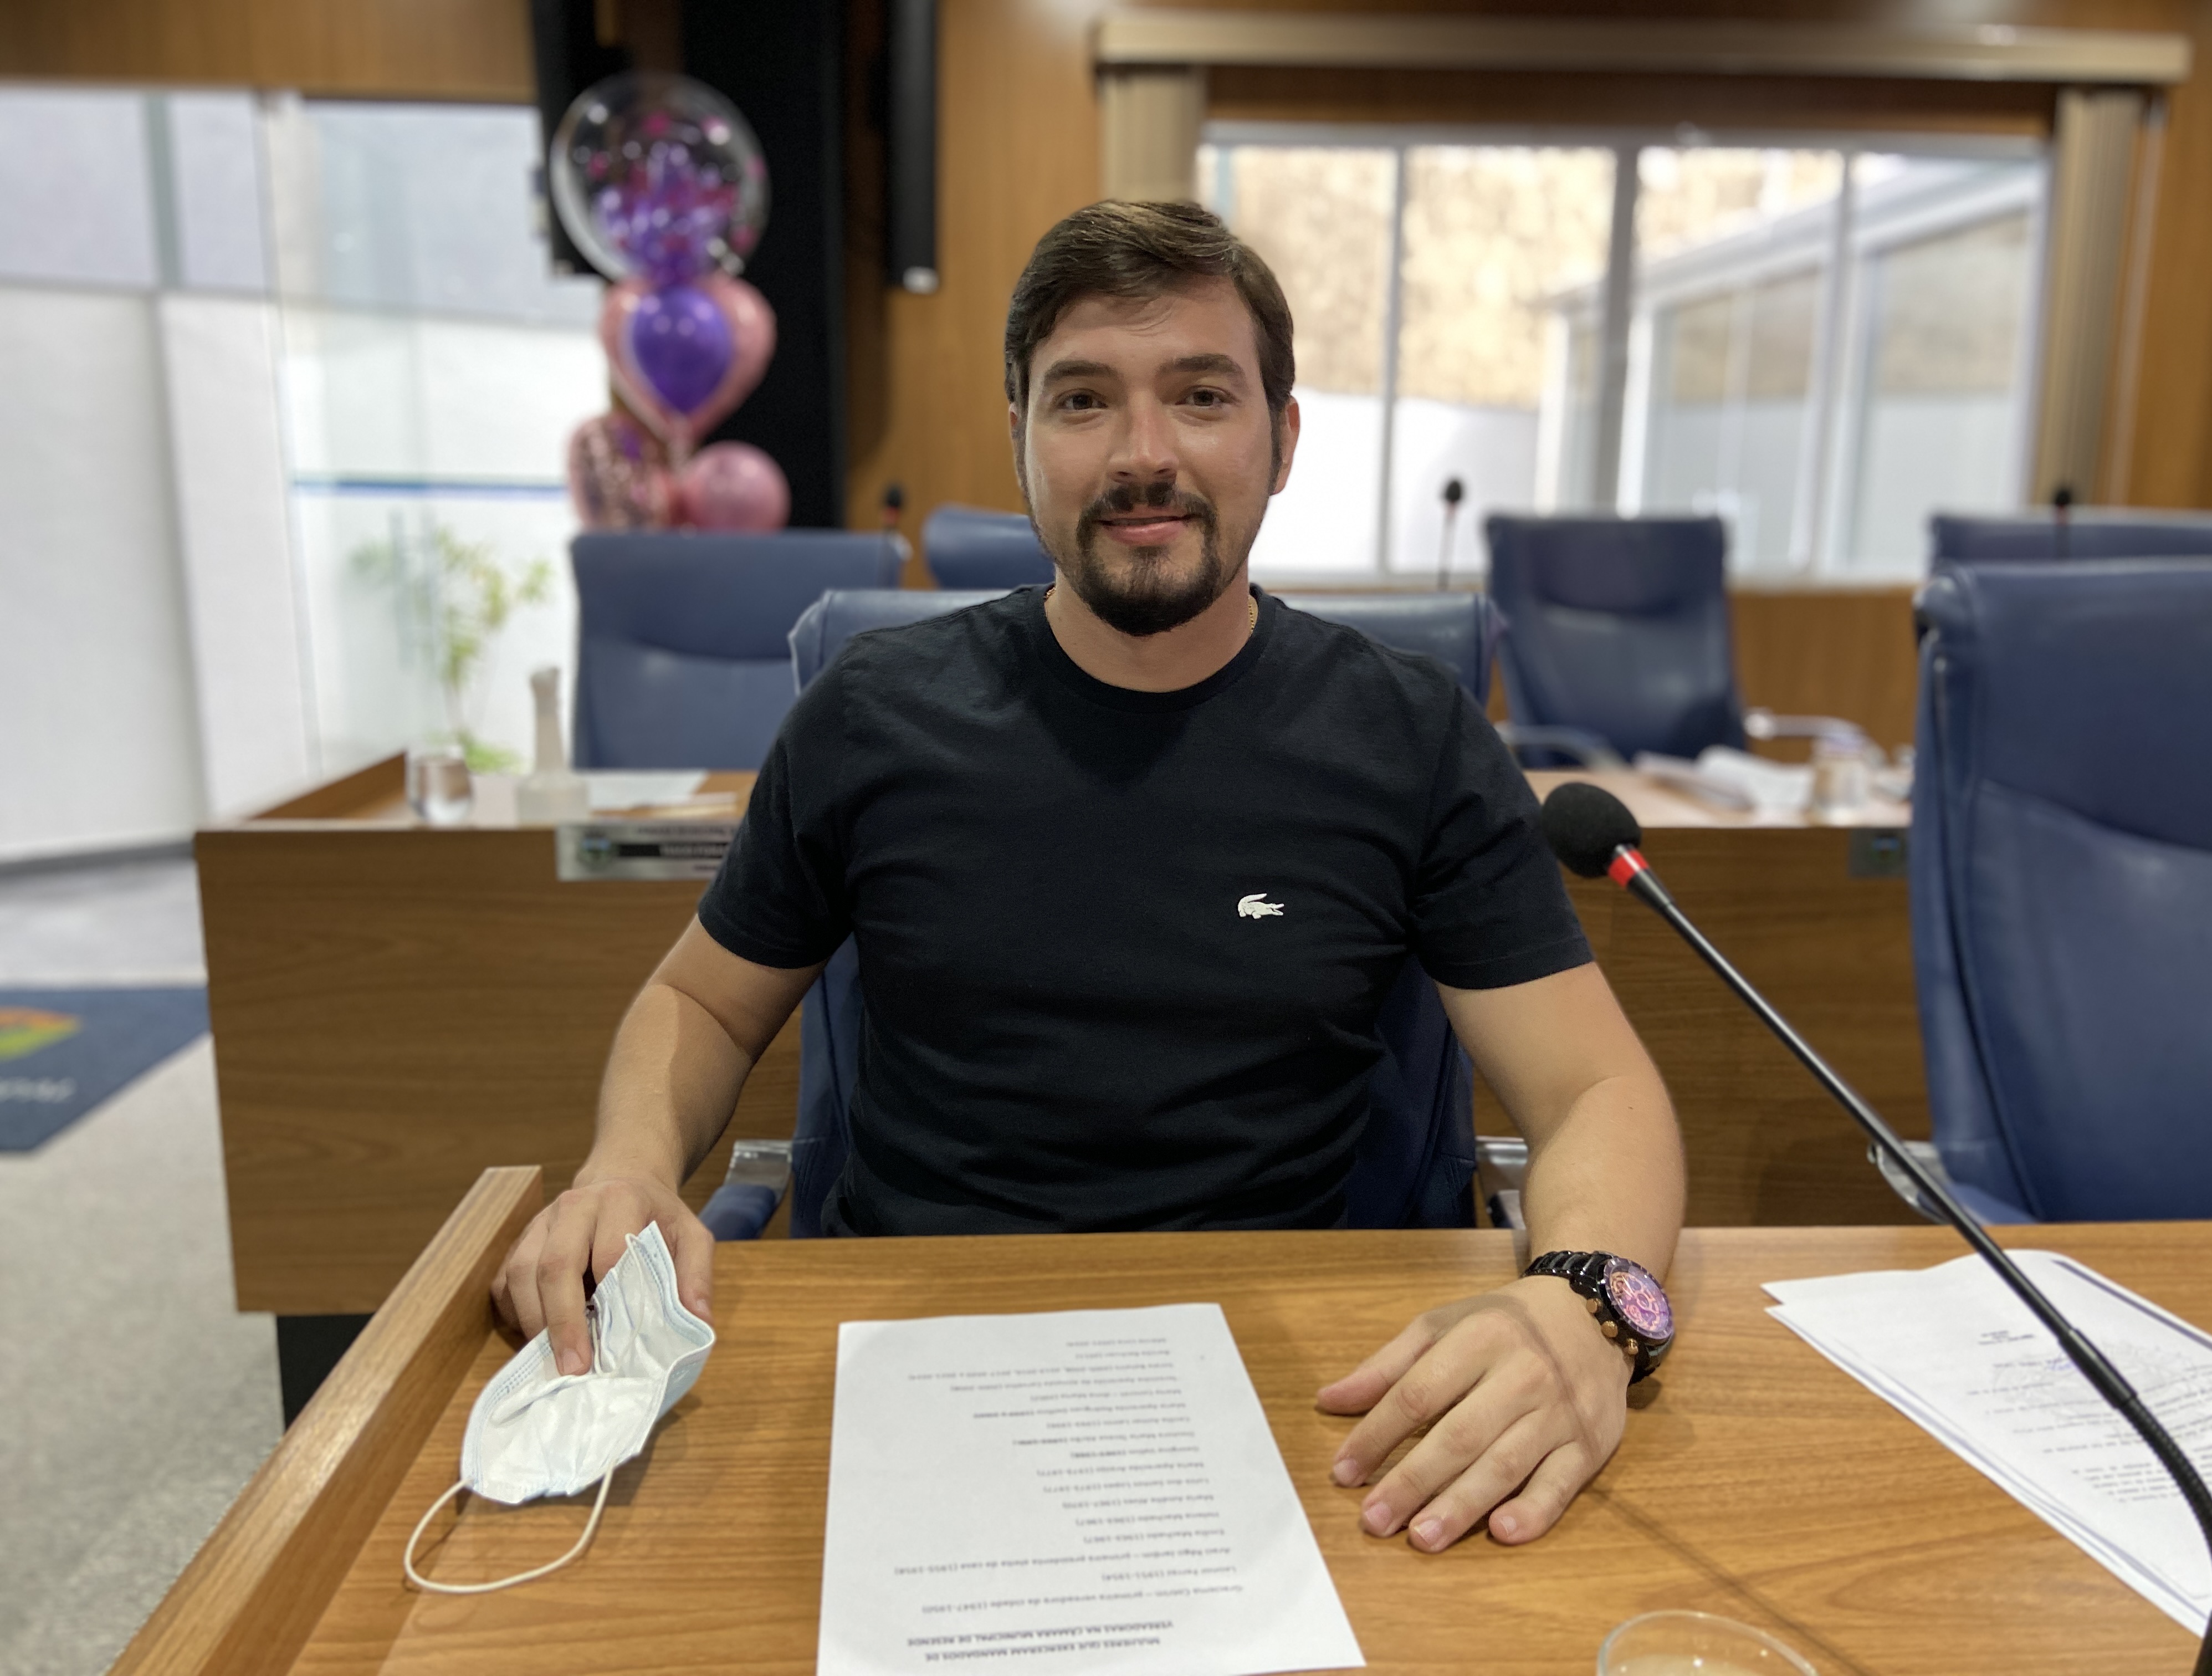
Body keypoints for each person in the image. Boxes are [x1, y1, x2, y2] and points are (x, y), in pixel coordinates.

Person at [494, 200, 1685, 1554]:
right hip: (914, 1353)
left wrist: (1590, 1304)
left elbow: (1596, 1091)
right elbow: (703, 1004)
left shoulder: (1410, 737)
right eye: (1083, 400)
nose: (1143, 454)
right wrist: (629, 1164)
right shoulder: (873, 715)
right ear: (1020, 436)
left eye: (1202, 395)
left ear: (1284, 438)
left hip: (1300, 1385)